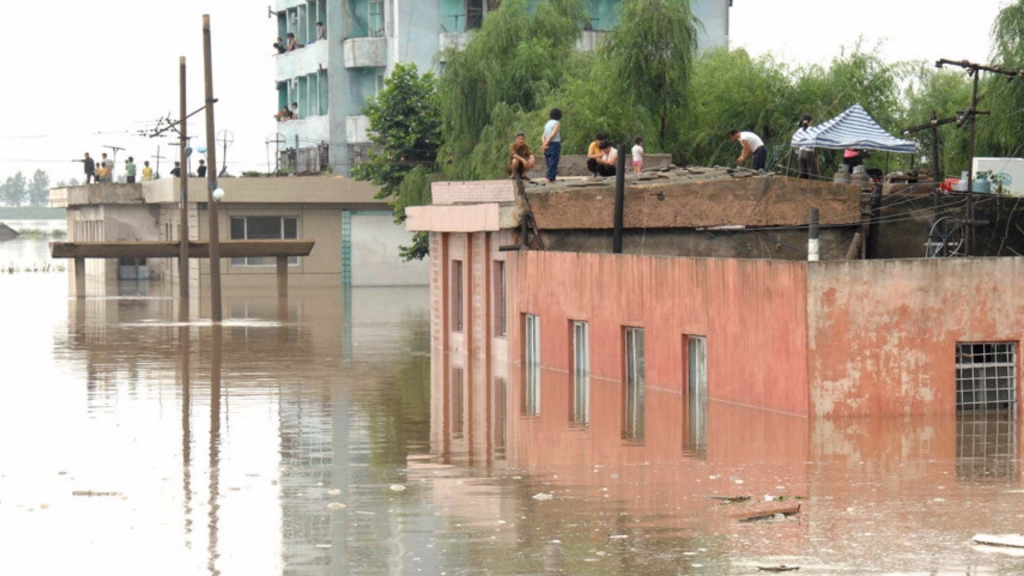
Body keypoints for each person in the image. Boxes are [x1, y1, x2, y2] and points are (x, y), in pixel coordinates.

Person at [541, 108, 562, 183]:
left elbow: (543, 136)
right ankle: (549, 178)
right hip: (554, 143)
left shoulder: (547, 123)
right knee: (553, 161)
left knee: (549, 161)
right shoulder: (557, 123)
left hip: (547, 143)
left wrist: (544, 144)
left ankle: (552, 178)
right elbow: (553, 134)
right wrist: (547, 143)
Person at [795, 114, 816, 179]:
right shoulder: (813, 130)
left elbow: (795, 141)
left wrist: (798, 151)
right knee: (811, 172)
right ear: (810, 122)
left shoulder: (799, 130)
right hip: (809, 153)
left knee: (802, 173)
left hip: (801, 153)